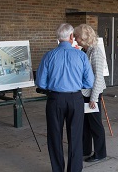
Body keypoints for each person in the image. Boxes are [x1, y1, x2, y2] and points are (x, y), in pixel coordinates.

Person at [35, 23, 94, 172]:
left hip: (55, 99)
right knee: (75, 136)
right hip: (75, 99)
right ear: (71, 37)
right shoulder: (81, 55)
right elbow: (89, 82)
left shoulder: (49, 55)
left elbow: (40, 82)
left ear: (58, 38)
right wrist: (74, 82)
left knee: (54, 136)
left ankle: (58, 169)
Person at [73, 24, 107, 162]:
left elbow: (98, 76)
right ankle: (85, 149)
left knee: (95, 124)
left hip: (92, 94)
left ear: (84, 37)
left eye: (77, 36)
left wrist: (94, 99)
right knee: (85, 124)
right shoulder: (85, 50)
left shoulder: (95, 52)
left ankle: (100, 153)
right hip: (85, 93)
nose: (75, 39)